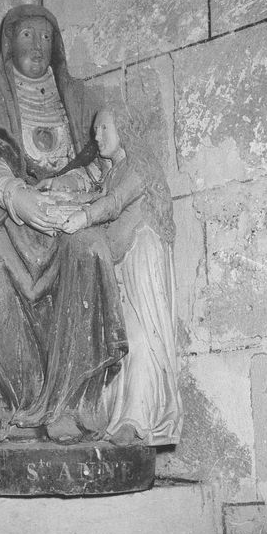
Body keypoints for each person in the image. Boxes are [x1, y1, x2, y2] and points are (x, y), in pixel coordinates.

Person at [0, 5, 128, 447]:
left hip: (66, 215)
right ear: (9, 41)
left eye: (46, 37)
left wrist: (73, 183)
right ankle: (13, 407)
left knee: (90, 250)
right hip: (9, 216)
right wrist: (16, 194)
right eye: (27, 35)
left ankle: (71, 405)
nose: (37, 46)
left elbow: (106, 155)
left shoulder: (77, 94)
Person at [63, 109, 183, 446]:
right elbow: (95, 189)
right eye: (95, 128)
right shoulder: (112, 171)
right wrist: (59, 187)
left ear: (124, 128)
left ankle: (138, 420)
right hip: (119, 259)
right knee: (124, 336)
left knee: (144, 332)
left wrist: (83, 218)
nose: (97, 135)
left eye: (104, 127)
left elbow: (114, 203)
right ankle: (120, 417)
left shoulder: (139, 167)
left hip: (142, 255)